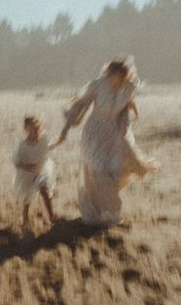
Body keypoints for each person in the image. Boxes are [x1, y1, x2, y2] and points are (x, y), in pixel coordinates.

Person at [53, 57, 159, 227]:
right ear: (110, 71)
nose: (117, 76)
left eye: (122, 73)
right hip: (94, 133)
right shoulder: (98, 84)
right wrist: (65, 129)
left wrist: (126, 125)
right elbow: (80, 105)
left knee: (114, 173)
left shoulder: (129, 86)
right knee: (97, 170)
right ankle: (110, 214)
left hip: (116, 133)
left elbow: (125, 108)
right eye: (114, 72)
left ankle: (105, 209)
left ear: (125, 74)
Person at [13, 115, 56, 230]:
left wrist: (61, 138)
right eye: (33, 129)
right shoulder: (23, 145)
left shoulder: (43, 140)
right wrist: (24, 166)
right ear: (26, 130)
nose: (36, 131)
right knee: (27, 199)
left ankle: (51, 216)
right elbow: (16, 160)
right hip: (27, 175)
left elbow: (49, 146)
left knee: (44, 189)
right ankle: (25, 219)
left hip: (41, 171)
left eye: (38, 128)